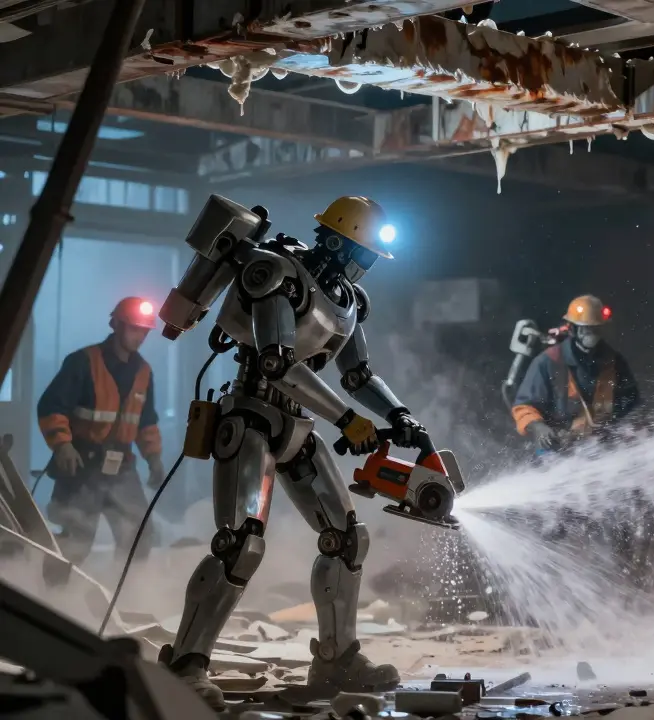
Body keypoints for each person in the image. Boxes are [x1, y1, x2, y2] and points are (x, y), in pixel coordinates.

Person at [154, 195, 425, 709]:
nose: (367, 267)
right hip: (251, 411)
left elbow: (359, 374)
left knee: (347, 540)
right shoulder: (277, 273)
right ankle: (186, 664)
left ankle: (336, 657)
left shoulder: (346, 300)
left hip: (296, 424)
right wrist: (346, 418)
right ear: (341, 243)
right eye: (364, 254)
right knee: (241, 543)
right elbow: (277, 362)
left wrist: (400, 416)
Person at [36, 296, 164, 588]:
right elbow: (52, 406)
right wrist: (62, 445)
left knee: (139, 536)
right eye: (134, 328)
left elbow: (146, 422)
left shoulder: (143, 372)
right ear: (116, 325)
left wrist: (154, 457)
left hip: (122, 468)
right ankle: (51, 599)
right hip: (82, 464)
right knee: (76, 538)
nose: (140, 336)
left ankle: (122, 595)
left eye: (144, 331)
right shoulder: (83, 362)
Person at [510, 295, 641, 452]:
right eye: (586, 329)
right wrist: (539, 427)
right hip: (557, 449)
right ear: (572, 329)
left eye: (596, 328)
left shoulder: (614, 363)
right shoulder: (549, 361)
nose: (591, 334)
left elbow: (631, 405)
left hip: (603, 449)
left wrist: (631, 431)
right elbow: (524, 406)